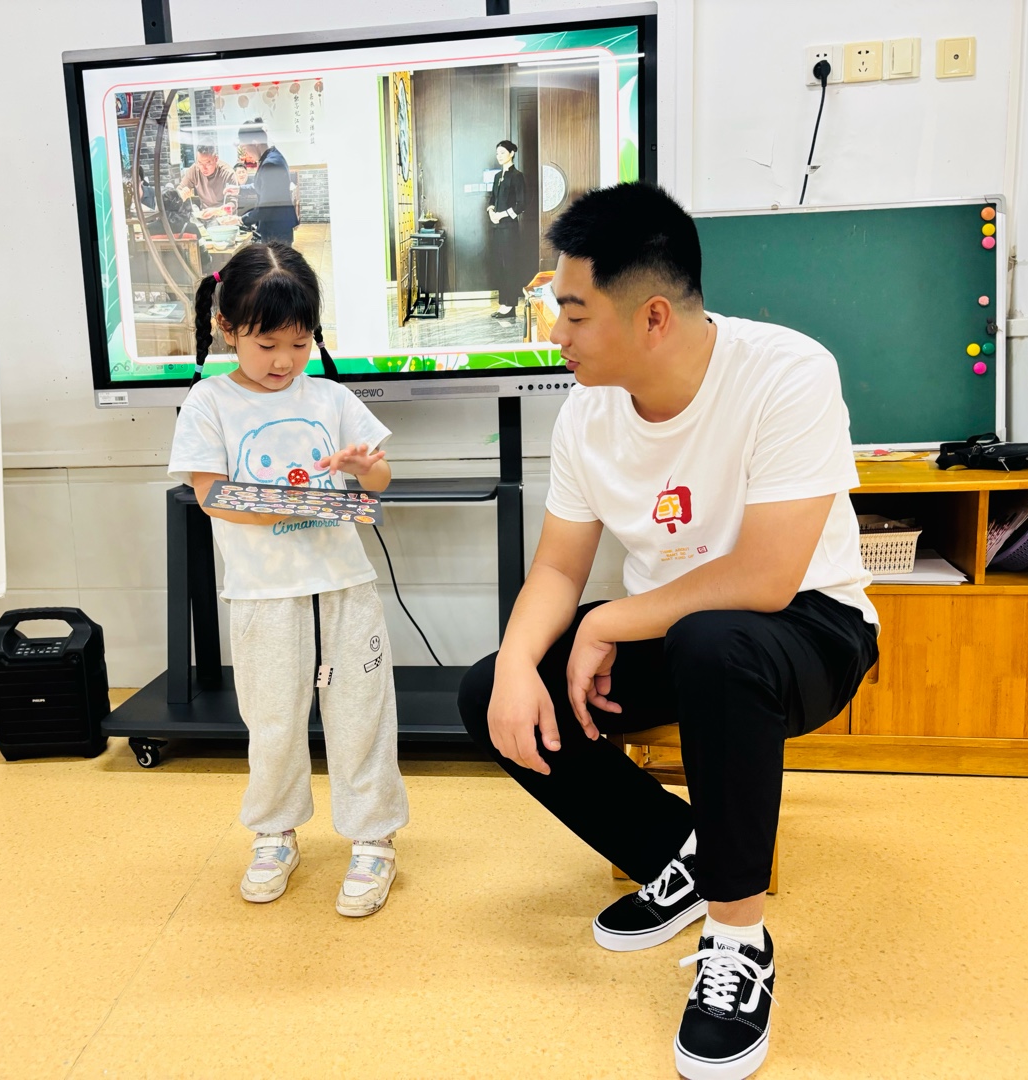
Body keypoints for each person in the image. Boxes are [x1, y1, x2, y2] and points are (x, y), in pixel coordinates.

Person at [456, 183, 879, 1080]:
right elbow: (558, 570)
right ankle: (679, 853)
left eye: (574, 313)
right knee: (491, 687)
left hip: (808, 627)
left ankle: (740, 941)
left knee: (712, 641)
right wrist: (519, 665)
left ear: (652, 316)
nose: (557, 334)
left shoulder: (787, 373)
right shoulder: (587, 414)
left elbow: (765, 577)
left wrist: (612, 619)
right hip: (671, 632)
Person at [168, 242, 408, 918]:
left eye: (299, 344)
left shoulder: (330, 396)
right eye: (267, 344)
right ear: (227, 328)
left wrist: (362, 470)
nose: (284, 361)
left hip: (344, 586)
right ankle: (274, 833)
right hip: (262, 595)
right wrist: (302, 502)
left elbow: (380, 478)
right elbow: (212, 495)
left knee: (362, 715)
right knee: (272, 721)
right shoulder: (209, 402)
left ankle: (374, 837)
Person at [236, 121, 297, 245]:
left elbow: (265, 208)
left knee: (276, 258)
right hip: (278, 227)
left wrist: (241, 219)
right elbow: (263, 186)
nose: (245, 153)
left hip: (276, 230)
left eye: (245, 148)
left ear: (255, 143)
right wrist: (239, 189)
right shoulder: (273, 156)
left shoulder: (270, 164)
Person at [486, 139, 528, 319]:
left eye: (502, 153)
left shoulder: (517, 176)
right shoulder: (497, 177)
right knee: (500, 266)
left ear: (512, 153)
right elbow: (492, 199)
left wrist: (501, 215)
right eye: (497, 153)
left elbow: (521, 204)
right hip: (497, 228)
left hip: (509, 229)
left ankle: (510, 306)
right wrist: (491, 212)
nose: (499, 156)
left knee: (510, 266)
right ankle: (503, 304)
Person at [176, 145, 231, 214]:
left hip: (225, 217)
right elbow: (179, 191)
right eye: (200, 163)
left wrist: (216, 211)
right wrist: (182, 194)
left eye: (208, 163)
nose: (203, 168)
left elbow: (233, 204)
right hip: (204, 215)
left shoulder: (227, 173)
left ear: (216, 159)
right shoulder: (194, 169)